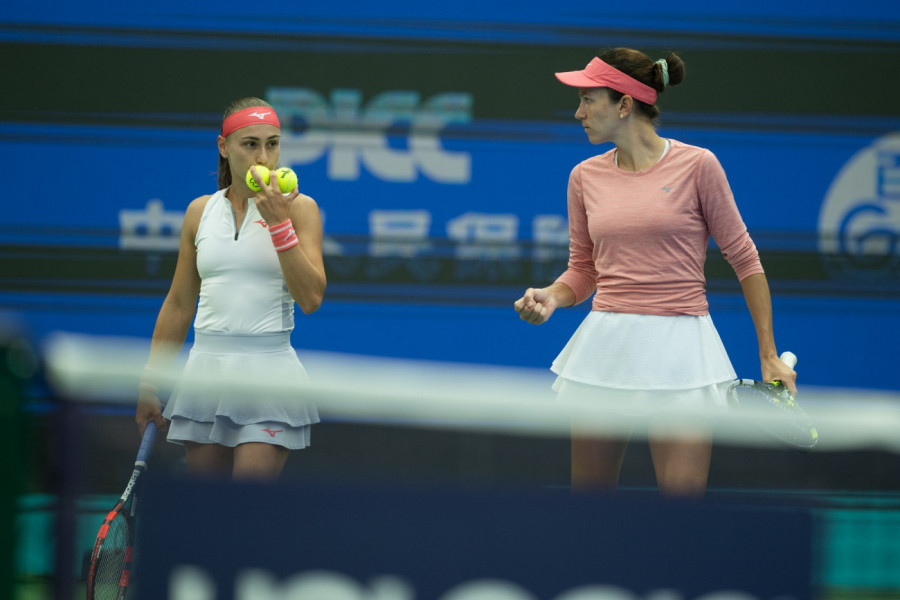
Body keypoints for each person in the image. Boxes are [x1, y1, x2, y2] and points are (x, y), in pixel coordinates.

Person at [514, 48, 796, 496]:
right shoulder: (583, 177)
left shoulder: (699, 166)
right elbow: (584, 269)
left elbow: (746, 260)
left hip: (682, 350)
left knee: (681, 509)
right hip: (606, 350)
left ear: (624, 104)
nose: (578, 113)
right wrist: (553, 294)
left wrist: (768, 354)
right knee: (589, 507)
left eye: (588, 100)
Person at [135, 97, 327, 481]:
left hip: (269, 375)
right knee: (209, 511)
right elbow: (179, 303)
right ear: (224, 147)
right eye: (250, 144)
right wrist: (149, 382)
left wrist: (278, 224)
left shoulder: (299, 208)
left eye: (272, 144)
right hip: (205, 374)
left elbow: (311, 298)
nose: (263, 157)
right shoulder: (199, 212)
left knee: (246, 507)